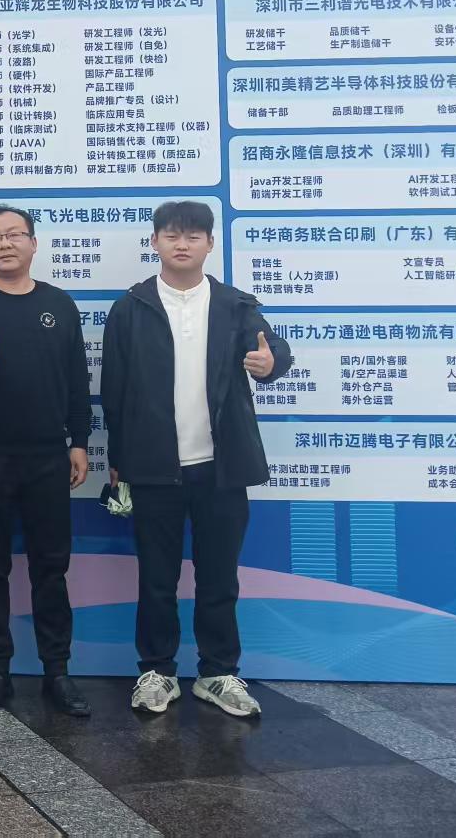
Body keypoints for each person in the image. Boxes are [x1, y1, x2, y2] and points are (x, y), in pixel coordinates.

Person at [101, 200, 292, 718]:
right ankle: (157, 671)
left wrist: (270, 362)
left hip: (221, 468)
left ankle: (218, 673)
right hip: (153, 468)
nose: (181, 244)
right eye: (170, 235)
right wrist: (118, 459)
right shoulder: (132, 307)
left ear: (209, 244)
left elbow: (274, 350)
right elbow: (113, 390)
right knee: (155, 578)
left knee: (219, 578)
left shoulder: (234, 305)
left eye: (192, 236)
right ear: (155, 242)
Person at [0, 204, 92, 717]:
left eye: (14, 235)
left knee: (52, 567)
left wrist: (79, 441)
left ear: (33, 243)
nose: (4, 244)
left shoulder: (59, 304)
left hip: (48, 455)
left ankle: (57, 670)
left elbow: (77, 379)